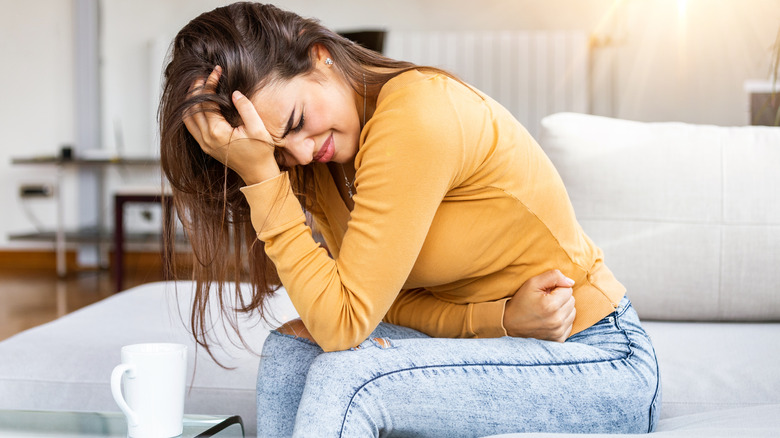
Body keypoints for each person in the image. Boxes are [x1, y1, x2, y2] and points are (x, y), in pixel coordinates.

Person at [159, 2, 661, 437]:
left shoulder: (416, 114)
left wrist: (262, 178)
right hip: (512, 339)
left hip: (595, 356)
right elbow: (382, 306)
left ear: (320, 56)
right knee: (289, 355)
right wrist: (499, 321)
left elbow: (344, 324)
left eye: (296, 123)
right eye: (275, 153)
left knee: (348, 378)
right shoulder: (324, 161)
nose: (302, 152)